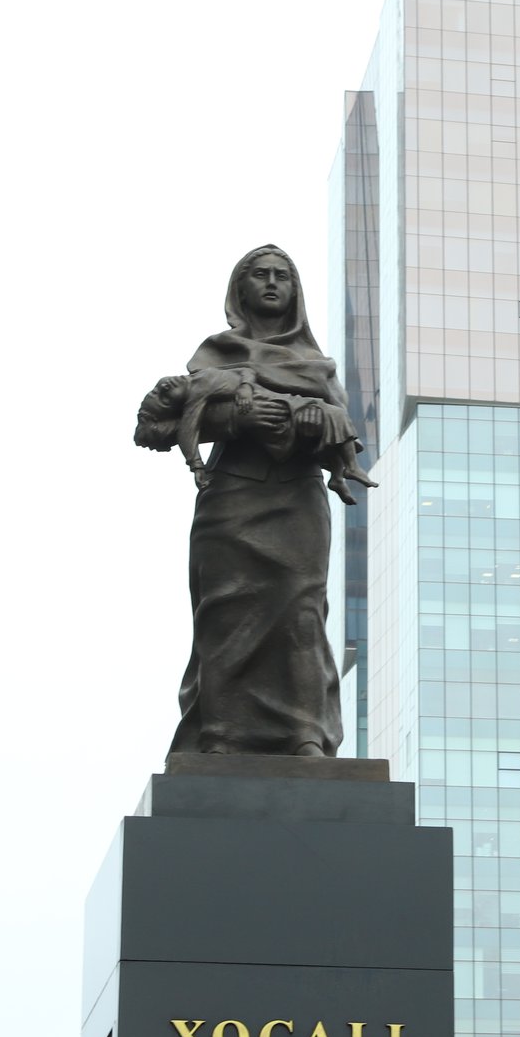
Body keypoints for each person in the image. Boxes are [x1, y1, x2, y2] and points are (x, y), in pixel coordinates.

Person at [134, 245, 371, 757]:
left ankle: (305, 734)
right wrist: (238, 419)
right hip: (230, 499)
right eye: (259, 275)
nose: (271, 283)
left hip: (297, 500)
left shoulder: (317, 366)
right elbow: (158, 428)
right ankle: (220, 733)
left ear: (295, 291)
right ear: (239, 289)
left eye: (282, 276)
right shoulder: (214, 355)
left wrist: (317, 422)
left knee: (300, 613)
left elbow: (345, 438)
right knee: (226, 612)